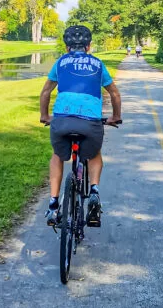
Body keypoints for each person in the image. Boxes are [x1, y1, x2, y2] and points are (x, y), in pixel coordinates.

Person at [40, 25, 122, 228]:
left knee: (57, 155)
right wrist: (115, 116)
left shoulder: (60, 62)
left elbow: (45, 93)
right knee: (94, 154)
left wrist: (45, 116)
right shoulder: (97, 64)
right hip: (90, 123)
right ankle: (94, 191)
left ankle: (52, 205)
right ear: (88, 46)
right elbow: (114, 93)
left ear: (67, 47)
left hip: (61, 121)